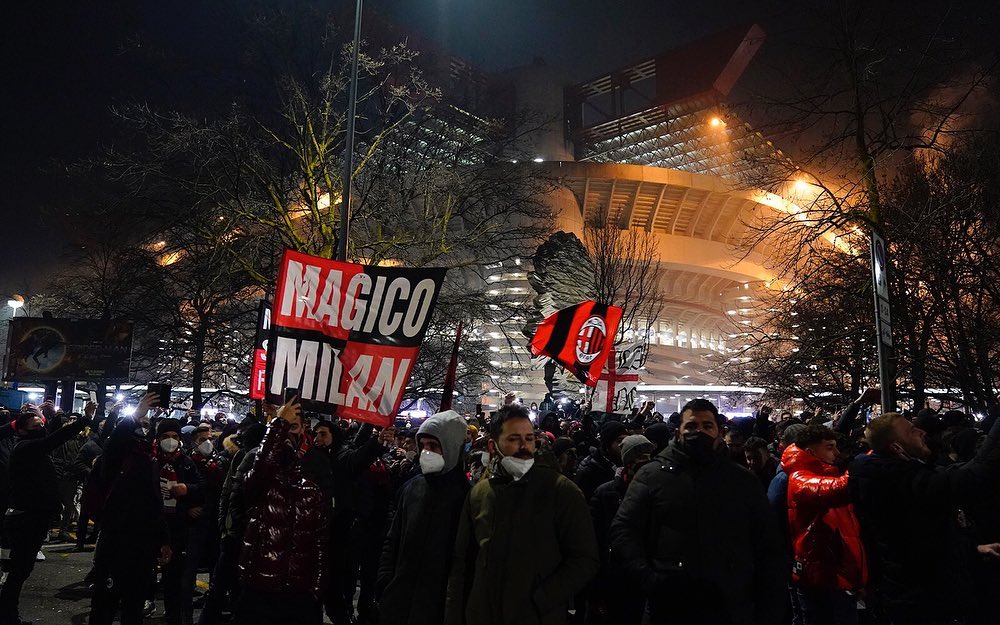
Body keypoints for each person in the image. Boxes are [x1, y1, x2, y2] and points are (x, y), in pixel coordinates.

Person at [610, 398, 786, 625]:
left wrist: (769, 605)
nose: (699, 432)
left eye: (707, 426)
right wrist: (649, 578)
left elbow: (768, 544)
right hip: (671, 605)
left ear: (719, 432)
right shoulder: (652, 476)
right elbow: (624, 530)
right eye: (692, 426)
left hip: (731, 604)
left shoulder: (742, 480)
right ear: (678, 432)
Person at [445, 404, 599, 625]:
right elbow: (462, 564)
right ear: (493, 445)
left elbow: (585, 559)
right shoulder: (480, 493)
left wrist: (540, 599)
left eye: (529, 439)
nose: (524, 446)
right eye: (514, 439)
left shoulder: (561, 491)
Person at [849, 412, 1000, 624]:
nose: (921, 432)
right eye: (912, 430)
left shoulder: (894, 475)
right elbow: (975, 475)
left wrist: (972, 548)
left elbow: (925, 537)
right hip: (923, 602)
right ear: (896, 448)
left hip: (919, 596)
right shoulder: (902, 480)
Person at [237, 395, 333, 625]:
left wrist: (316, 589)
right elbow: (260, 472)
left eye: (293, 428)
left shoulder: (311, 487)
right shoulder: (262, 477)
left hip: (298, 594)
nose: (288, 436)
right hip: (261, 588)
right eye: (285, 429)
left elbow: (320, 542)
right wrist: (278, 424)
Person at [0, 402, 94, 625]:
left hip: (33, 516)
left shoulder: (31, 447)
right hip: (27, 519)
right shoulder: (26, 448)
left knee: (21, 569)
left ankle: (7, 612)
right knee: (19, 571)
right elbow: (56, 437)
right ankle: (7, 615)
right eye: (35, 426)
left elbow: (50, 435)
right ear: (21, 430)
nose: (40, 428)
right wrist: (84, 418)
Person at [377, 410, 470, 625]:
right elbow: (393, 539)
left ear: (452, 448)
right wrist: (385, 582)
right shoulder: (412, 488)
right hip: (399, 603)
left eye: (434, 446)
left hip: (437, 609)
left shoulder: (466, 497)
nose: (427, 452)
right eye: (424, 446)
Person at [89, 393, 173, 625]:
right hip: (117, 538)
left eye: (147, 425)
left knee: (134, 605)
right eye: (140, 424)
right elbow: (117, 440)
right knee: (106, 601)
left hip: (143, 543)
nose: (143, 427)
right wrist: (135, 414)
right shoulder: (117, 458)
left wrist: (163, 539)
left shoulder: (150, 461)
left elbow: (155, 502)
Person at [783, 426, 866, 625]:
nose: (836, 453)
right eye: (829, 448)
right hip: (822, 578)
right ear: (811, 452)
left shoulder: (827, 473)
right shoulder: (799, 478)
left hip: (834, 574)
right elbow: (833, 490)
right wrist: (867, 464)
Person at [197, 421, 265, 625]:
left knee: (226, 584)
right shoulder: (249, 456)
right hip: (239, 532)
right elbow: (231, 494)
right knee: (230, 584)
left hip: (235, 531)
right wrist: (228, 525)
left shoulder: (241, 455)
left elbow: (227, 494)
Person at [587, 434, 654, 625]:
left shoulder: (657, 489)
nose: (645, 463)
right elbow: (595, 538)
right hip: (614, 577)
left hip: (644, 575)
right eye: (640, 459)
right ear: (628, 463)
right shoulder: (606, 493)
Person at [153, 418, 205, 625]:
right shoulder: (150, 460)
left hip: (177, 526)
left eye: (175, 437)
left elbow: (200, 486)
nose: (171, 441)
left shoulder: (185, 461)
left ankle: (173, 616)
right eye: (166, 437)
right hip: (152, 524)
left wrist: (187, 490)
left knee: (174, 578)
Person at [574, 420, 626, 501]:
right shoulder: (589, 469)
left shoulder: (625, 463)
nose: (623, 444)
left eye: (626, 441)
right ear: (608, 443)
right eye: (619, 441)